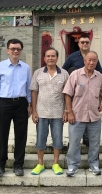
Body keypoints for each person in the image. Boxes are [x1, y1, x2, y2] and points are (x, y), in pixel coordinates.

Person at [0, 39, 32, 177]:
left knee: (21, 135)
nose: (15, 51)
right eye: (13, 48)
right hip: (4, 103)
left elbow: (28, 88)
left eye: (18, 49)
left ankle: (18, 164)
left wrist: (29, 104)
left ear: (21, 51)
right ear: (8, 50)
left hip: (21, 103)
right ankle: (1, 165)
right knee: (2, 135)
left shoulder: (26, 67)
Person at [63, 51, 102, 177]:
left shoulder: (99, 76)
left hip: (94, 116)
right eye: (89, 60)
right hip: (77, 116)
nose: (91, 62)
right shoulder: (75, 74)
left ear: (97, 62)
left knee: (95, 142)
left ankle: (94, 164)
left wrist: (99, 103)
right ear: (84, 61)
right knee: (74, 142)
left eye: (94, 60)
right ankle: (72, 166)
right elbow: (67, 94)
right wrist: (69, 112)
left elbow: (101, 93)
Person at [30, 47, 69, 175]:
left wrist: (66, 111)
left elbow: (67, 94)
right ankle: (40, 164)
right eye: (48, 56)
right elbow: (34, 92)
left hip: (58, 113)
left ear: (57, 58)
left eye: (53, 56)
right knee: (40, 139)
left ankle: (56, 163)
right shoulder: (38, 73)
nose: (50, 58)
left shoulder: (64, 74)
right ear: (44, 58)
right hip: (41, 113)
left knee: (57, 139)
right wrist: (34, 111)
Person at [63, 34, 102, 147]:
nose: (85, 44)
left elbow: (99, 72)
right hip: (76, 92)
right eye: (82, 42)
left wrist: (98, 102)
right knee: (77, 120)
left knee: (89, 118)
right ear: (79, 44)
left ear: (90, 43)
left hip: (90, 91)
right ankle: (74, 143)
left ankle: (87, 140)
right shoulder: (72, 57)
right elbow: (64, 71)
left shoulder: (94, 57)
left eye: (87, 42)